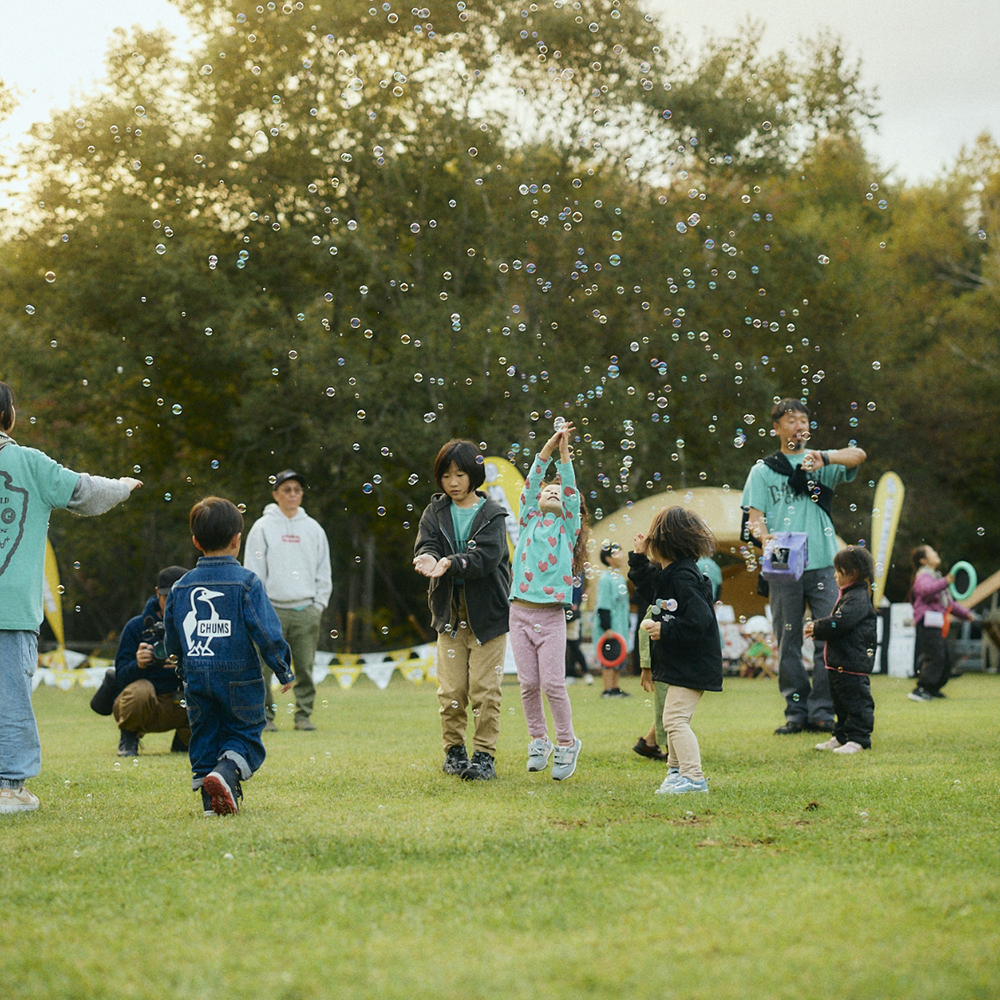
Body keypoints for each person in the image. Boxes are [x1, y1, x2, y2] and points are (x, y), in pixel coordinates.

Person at [0, 381, 141, 814]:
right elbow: (84, 492)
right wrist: (122, 486)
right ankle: (9, 788)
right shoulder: (28, 463)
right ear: (8, 416)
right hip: (11, 609)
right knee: (9, 697)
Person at [741, 397, 867, 735]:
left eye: (804, 420)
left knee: (829, 639)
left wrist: (824, 457)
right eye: (792, 420)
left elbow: (859, 456)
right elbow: (754, 519)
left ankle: (822, 711)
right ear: (776, 428)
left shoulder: (821, 463)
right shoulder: (763, 471)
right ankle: (796, 711)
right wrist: (764, 537)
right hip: (783, 566)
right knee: (788, 641)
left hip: (825, 564)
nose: (800, 425)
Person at [165, 497, 293, 816]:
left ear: (196, 542)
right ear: (238, 540)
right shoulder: (247, 582)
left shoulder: (180, 587)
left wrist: (179, 660)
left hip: (196, 674)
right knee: (245, 732)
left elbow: (173, 633)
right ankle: (225, 774)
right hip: (241, 677)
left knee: (205, 734)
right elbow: (266, 630)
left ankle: (212, 804)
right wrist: (282, 668)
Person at [413, 439, 511, 781]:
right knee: (451, 692)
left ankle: (484, 756)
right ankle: (454, 752)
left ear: (474, 475)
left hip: (488, 617)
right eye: (446, 475)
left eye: (460, 474)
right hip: (449, 616)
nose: (453, 482)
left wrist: (448, 563)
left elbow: (485, 559)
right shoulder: (434, 512)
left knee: (485, 692)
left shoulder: (493, 515)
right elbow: (427, 543)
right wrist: (427, 556)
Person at [509, 422, 586, 781]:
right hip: (519, 612)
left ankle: (567, 743)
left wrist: (565, 453)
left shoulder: (567, 528)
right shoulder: (527, 520)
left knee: (553, 684)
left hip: (552, 617)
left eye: (558, 490)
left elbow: (571, 491)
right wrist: (547, 449)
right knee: (527, 684)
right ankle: (539, 740)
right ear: (537, 498)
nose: (554, 491)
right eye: (548, 489)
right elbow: (530, 482)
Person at [629, 507, 723, 795]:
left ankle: (694, 778)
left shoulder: (684, 577)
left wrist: (665, 631)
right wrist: (638, 557)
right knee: (672, 720)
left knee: (674, 721)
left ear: (665, 542)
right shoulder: (668, 573)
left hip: (694, 664)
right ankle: (674, 772)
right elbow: (647, 587)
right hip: (681, 663)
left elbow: (701, 620)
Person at [244, 469, 331, 732]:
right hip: (271, 610)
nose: (292, 494)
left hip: (306, 608)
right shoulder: (262, 527)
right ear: (276, 494)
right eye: (287, 489)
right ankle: (266, 717)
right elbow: (254, 570)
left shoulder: (313, 528)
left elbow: (323, 570)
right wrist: (259, 608)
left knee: (304, 666)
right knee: (264, 667)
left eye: (297, 490)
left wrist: (318, 606)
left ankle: (303, 715)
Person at [805, 545, 878, 753]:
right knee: (840, 703)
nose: (835, 575)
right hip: (840, 662)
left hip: (852, 663)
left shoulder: (858, 597)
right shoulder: (849, 595)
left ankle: (859, 739)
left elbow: (841, 622)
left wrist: (817, 627)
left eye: (839, 571)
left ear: (853, 573)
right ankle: (842, 735)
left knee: (856, 703)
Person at [112, 565, 191, 757]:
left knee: (208, 691)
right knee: (140, 691)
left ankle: (186, 739)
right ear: (157, 593)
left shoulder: (194, 625)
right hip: (147, 704)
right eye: (167, 597)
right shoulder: (136, 627)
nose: (172, 602)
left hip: (181, 702)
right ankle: (129, 737)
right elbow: (120, 678)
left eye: (177, 596)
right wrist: (138, 664)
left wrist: (184, 663)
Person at [907, 545, 973, 702]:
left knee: (944, 658)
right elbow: (925, 591)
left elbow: (948, 604)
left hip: (936, 623)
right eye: (932, 552)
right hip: (927, 622)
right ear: (923, 560)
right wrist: (946, 581)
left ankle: (933, 688)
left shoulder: (935, 576)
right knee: (935, 657)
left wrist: (966, 614)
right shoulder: (923, 575)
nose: (936, 554)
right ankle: (921, 688)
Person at [594, 542, 632, 697]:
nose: (622, 556)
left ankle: (615, 687)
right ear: (608, 559)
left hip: (621, 624)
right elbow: (603, 605)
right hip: (610, 626)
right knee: (609, 656)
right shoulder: (605, 579)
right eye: (617, 553)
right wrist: (606, 626)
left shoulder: (620, 578)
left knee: (619, 656)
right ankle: (607, 688)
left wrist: (628, 623)